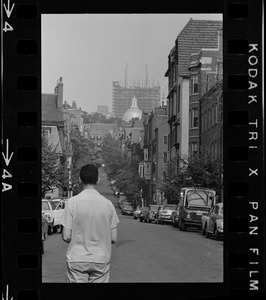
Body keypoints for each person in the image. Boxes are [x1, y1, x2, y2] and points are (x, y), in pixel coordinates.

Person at [61, 164, 119, 283]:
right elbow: (113, 238)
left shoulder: (72, 203)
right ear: (97, 180)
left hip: (77, 258)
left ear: (80, 179)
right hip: (100, 258)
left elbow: (66, 236)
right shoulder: (108, 205)